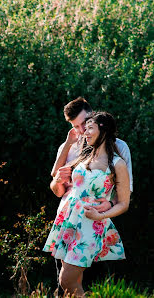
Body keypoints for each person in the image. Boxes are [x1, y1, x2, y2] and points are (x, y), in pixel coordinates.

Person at [43, 111, 131, 297]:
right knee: (69, 282)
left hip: (92, 224)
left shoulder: (117, 163)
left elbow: (124, 203)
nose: (85, 132)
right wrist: (58, 179)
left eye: (90, 128)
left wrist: (101, 214)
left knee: (66, 280)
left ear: (104, 130)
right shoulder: (84, 157)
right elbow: (57, 182)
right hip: (69, 221)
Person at [50, 97, 133, 215]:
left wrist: (110, 204)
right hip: (66, 215)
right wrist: (57, 181)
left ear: (93, 116)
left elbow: (125, 191)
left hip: (98, 216)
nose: (83, 130)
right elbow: (58, 191)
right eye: (76, 126)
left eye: (84, 123)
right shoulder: (67, 148)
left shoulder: (120, 147)